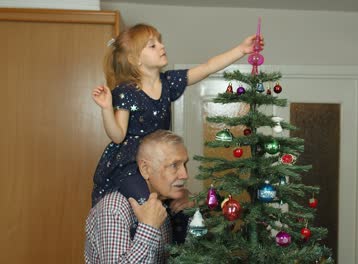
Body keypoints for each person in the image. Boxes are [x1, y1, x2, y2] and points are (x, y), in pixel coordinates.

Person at [91, 23, 264, 207]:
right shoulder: (127, 91)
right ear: (135, 59)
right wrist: (107, 108)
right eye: (152, 45)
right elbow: (118, 136)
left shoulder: (168, 82)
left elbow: (208, 67)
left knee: (177, 207)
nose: (161, 46)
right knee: (147, 204)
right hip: (132, 163)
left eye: (160, 42)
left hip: (162, 160)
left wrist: (241, 50)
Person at [85, 130, 194, 263]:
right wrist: (148, 228)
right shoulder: (114, 208)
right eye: (174, 165)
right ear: (145, 169)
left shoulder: (164, 202)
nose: (185, 175)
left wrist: (194, 211)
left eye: (185, 164)